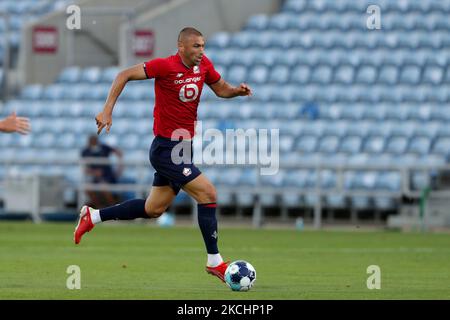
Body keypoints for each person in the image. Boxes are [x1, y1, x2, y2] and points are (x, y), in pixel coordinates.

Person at [73, 27, 252, 283]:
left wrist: (237, 91)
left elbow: (221, 88)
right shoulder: (164, 67)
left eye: (203, 46)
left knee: (153, 208)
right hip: (166, 149)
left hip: (184, 147)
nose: (201, 51)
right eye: (196, 46)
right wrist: (107, 110)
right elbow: (124, 74)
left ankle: (93, 216)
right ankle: (215, 262)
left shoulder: (204, 66)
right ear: (181, 47)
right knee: (208, 193)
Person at [81, 134, 124, 208]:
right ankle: (99, 207)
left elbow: (118, 153)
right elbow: (84, 169)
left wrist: (119, 169)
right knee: (88, 189)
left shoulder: (104, 147)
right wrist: (94, 172)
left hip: (108, 177)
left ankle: (113, 208)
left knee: (104, 187)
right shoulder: (85, 151)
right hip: (95, 178)